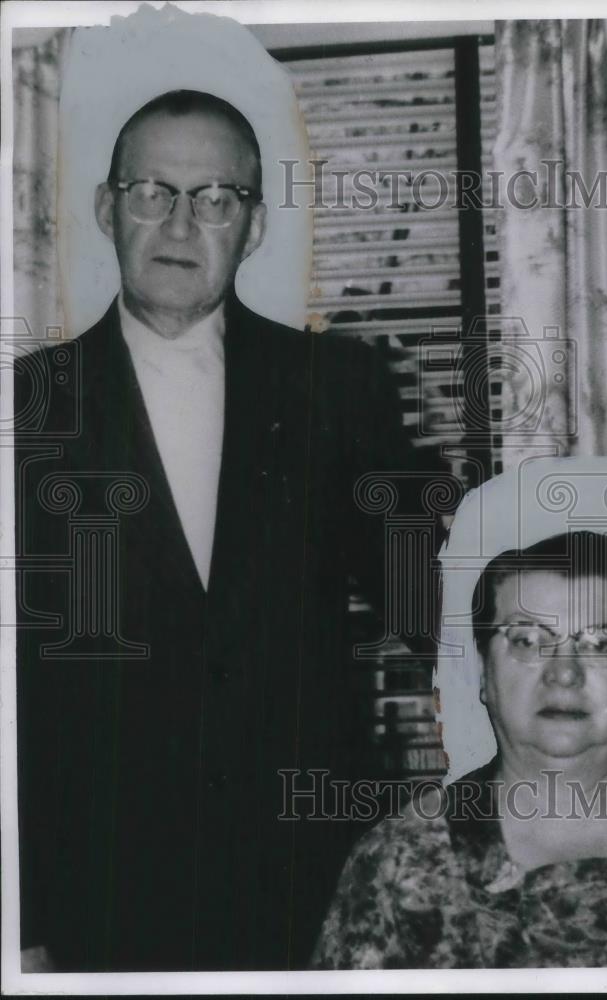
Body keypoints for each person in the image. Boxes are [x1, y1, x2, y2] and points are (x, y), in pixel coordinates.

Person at [14, 89, 445, 971]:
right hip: (98, 893)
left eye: (216, 198)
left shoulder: (338, 387)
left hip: (312, 881)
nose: (180, 222)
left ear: (252, 226)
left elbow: (431, 606)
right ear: (107, 209)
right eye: (152, 191)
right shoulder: (25, 407)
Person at [313, 530, 607, 968]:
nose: (564, 673)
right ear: (483, 675)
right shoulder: (400, 862)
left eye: (600, 643)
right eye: (527, 640)